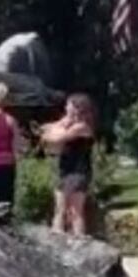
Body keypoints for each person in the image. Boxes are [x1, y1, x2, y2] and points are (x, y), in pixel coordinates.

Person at [41, 93, 97, 236]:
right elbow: (50, 126)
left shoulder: (82, 127)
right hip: (66, 169)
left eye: (69, 105)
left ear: (77, 108)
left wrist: (47, 135)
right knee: (60, 208)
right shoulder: (70, 122)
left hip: (78, 171)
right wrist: (58, 124)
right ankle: (59, 234)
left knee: (75, 210)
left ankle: (78, 238)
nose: (66, 107)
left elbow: (58, 138)